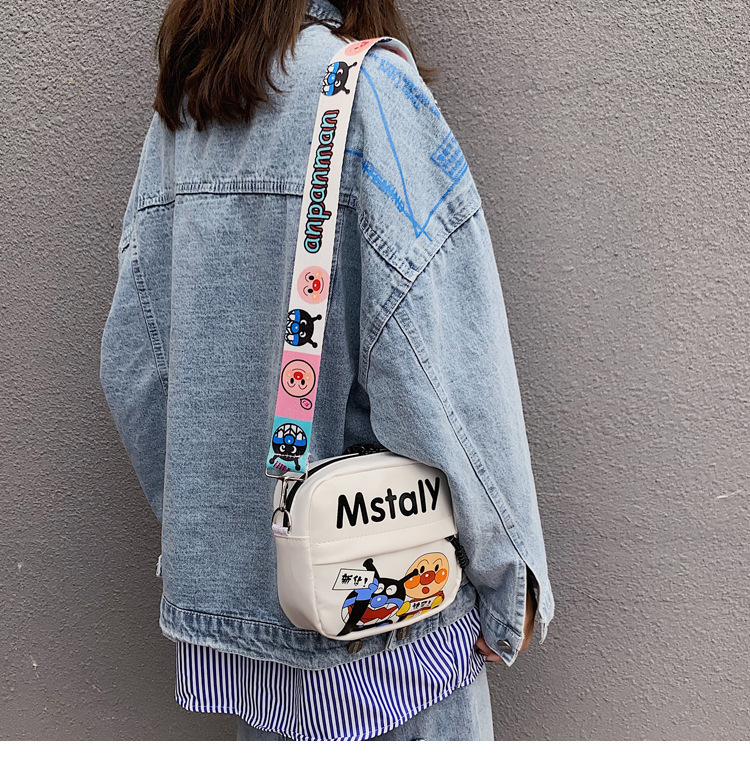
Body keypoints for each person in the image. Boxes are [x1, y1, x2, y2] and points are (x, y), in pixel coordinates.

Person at [100, 0, 555, 741]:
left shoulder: (186, 116)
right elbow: (442, 372)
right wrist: (512, 585)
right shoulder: (372, 92)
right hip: (391, 646)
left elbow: (136, 366)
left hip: (258, 662)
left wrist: (232, 536)